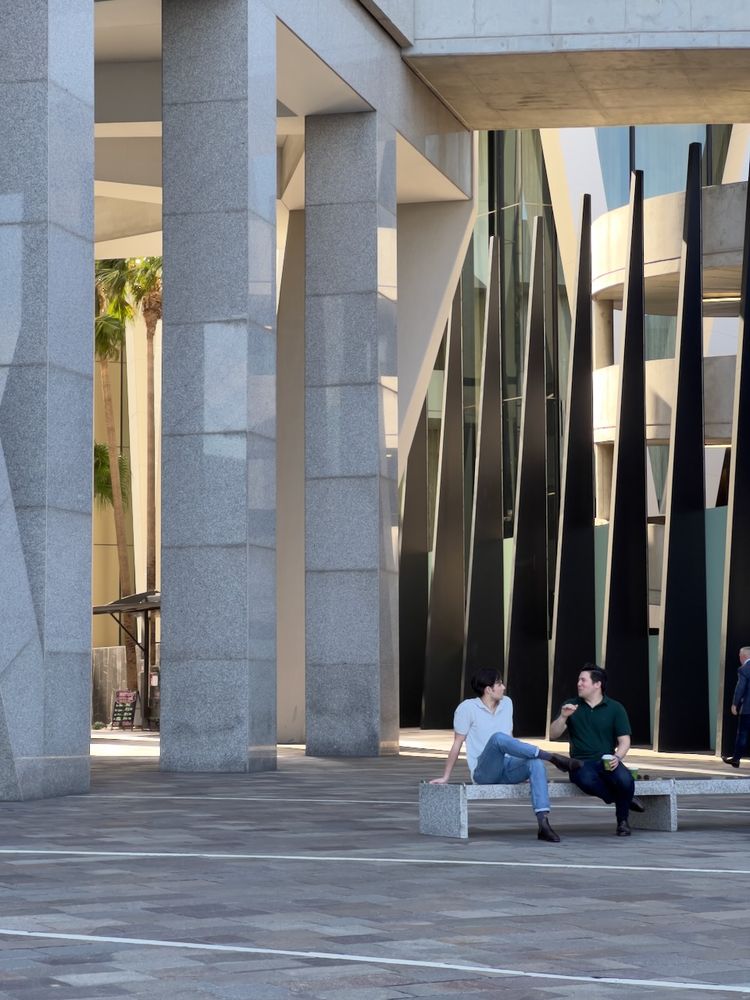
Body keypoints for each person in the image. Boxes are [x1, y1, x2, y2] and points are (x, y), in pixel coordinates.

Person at [430, 667, 579, 843]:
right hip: (484, 772)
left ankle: (543, 824)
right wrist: (446, 776)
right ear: (488, 689)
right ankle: (550, 757)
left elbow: (511, 740)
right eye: (499, 684)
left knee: (535, 764)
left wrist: (521, 767)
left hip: (508, 767)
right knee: (497, 739)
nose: (504, 687)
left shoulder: (507, 703)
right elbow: (457, 743)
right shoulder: (467, 708)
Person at [549, 663, 643, 837]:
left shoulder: (615, 708)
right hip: (580, 762)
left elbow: (624, 741)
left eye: (583, 680)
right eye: (578, 680)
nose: (578, 683)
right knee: (586, 779)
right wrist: (563, 716)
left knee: (626, 780)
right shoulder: (571, 705)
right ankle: (621, 799)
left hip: (607, 760)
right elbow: (553, 734)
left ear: (597, 684)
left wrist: (618, 757)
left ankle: (622, 822)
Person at [722, 646, 750, 768]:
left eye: (739, 655)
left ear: (744, 656)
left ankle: (736, 759)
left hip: (748, 708)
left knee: (742, 734)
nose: (739, 657)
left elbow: (740, 688)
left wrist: (735, 704)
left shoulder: (744, 669)